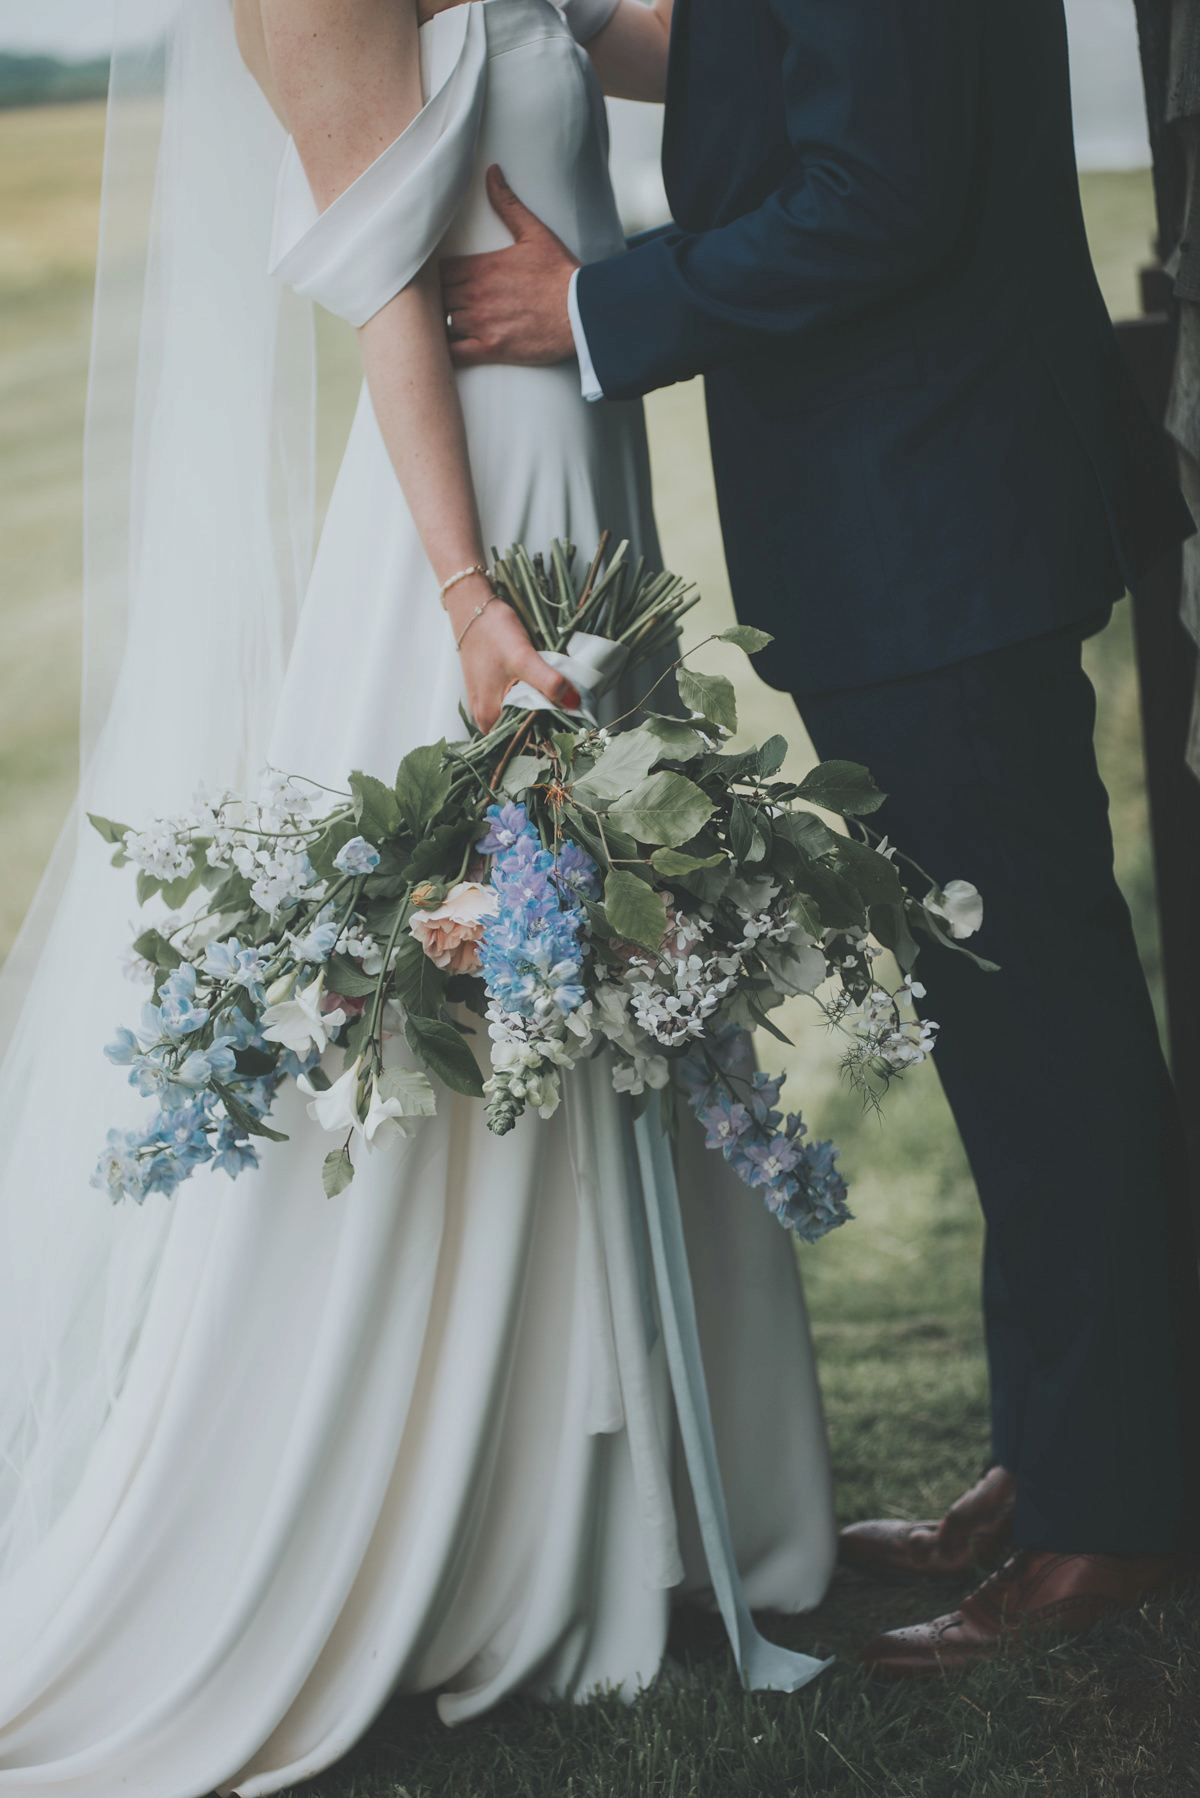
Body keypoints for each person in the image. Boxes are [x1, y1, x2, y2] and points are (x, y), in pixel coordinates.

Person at [0, 2, 837, 1792]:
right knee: (494, 966)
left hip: (584, 473)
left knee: (629, 946)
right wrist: (466, 598)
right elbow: (397, 302)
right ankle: (497, 1526)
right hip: (475, 523)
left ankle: (649, 1506)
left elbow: (686, 42)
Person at [440, 0, 1200, 1672]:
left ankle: (1116, 1515)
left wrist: (592, 303)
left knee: (1037, 1026)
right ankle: (1067, 1456)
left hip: (938, 523)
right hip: (931, 514)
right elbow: (782, 71)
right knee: (1013, 1022)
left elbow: (877, 191)